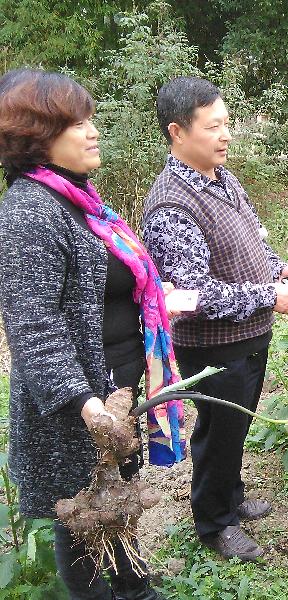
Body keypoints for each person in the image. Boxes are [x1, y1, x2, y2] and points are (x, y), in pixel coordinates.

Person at [0, 69, 184, 600]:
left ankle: (133, 586)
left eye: (90, 120)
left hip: (113, 387)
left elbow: (105, 287)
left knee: (115, 494)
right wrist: (86, 404)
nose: (93, 131)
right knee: (81, 513)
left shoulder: (81, 201)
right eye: (78, 123)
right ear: (38, 137)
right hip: (77, 407)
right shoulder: (30, 213)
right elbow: (33, 326)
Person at [141, 77, 288, 561]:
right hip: (214, 344)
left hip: (249, 334)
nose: (226, 135)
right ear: (177, 132)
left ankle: (230, 497)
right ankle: (215, 522)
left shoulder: (222, 178)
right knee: (218, 431)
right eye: (213, 127)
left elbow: (253, 237)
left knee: (235, 427)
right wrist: (268, 295)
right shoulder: (172, 204)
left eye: (226, 124)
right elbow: (192, 295)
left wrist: (277, 269)